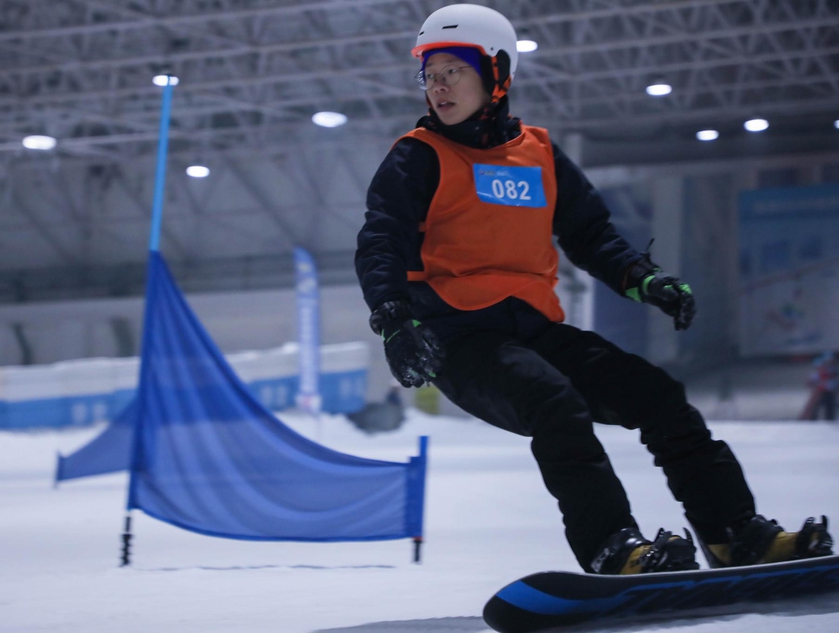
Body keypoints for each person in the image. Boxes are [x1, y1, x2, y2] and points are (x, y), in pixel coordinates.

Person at [354, 3, 833, 575]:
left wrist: (642, 280)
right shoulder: (417, 158)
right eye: (430, 75)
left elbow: (589, 234)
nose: (439, 86)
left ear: (497, 73)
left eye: (453, 71)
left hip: (535, 330)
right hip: (458, 339)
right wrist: (394, 321)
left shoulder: (537, 154)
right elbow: (380, 242)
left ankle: (736, 534)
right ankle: (613, 546)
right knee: (552, 401)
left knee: (659, 396)